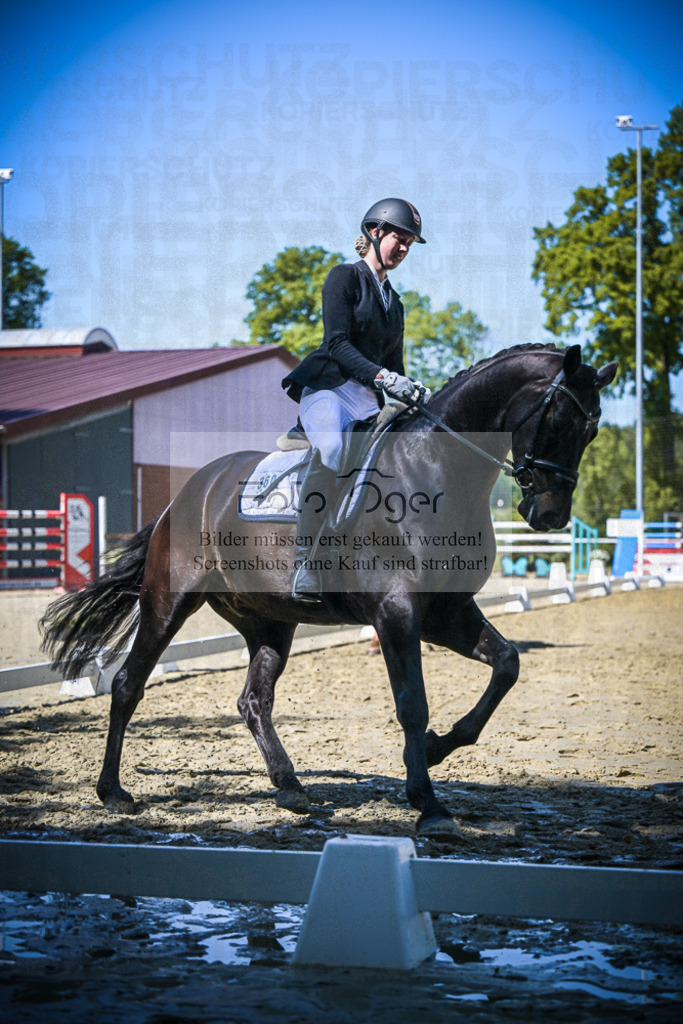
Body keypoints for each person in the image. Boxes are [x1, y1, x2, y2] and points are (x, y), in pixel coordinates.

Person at [281, 198, 429, 600]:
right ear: (375, 232)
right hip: (329, 391)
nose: (403, 249)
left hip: (367, 402)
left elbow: (395, 365)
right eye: (400, 238)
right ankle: (305, 563)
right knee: (331, 448)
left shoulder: (395, 305)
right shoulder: (343, 278)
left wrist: (415, 390)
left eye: (410, 244)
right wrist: (384, 377)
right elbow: (338, 344)